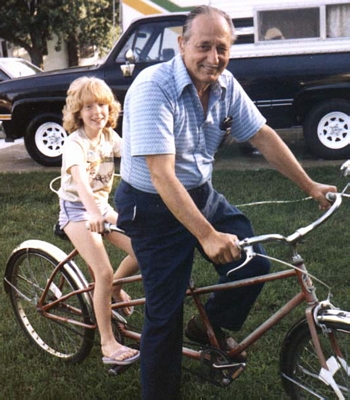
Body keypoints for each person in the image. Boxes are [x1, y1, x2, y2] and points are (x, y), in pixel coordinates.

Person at [114, 5, 336, 399]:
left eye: (222, 48)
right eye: (203, 46)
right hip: (151, 203)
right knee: (164, 315)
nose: (213, 58)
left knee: (254, 263)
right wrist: (207, 234)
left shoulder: (225, 84)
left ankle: (206, 328)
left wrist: (310, 184)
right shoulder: (153, 87)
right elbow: (162, 175)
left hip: (199, 192)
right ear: (181, 44)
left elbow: (263, 135)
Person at [58, 76, 139, 366]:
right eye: (89, 106)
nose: (97, 112)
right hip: (77, 211)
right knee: (101, 272)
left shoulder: (108, 137)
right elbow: (79, 180)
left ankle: (116, 287)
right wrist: (93, 212)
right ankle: (107, 342)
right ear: (78, 113)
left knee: (144, 248)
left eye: (102, 105)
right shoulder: (75, 143)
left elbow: (133, 155)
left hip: (101, 207)